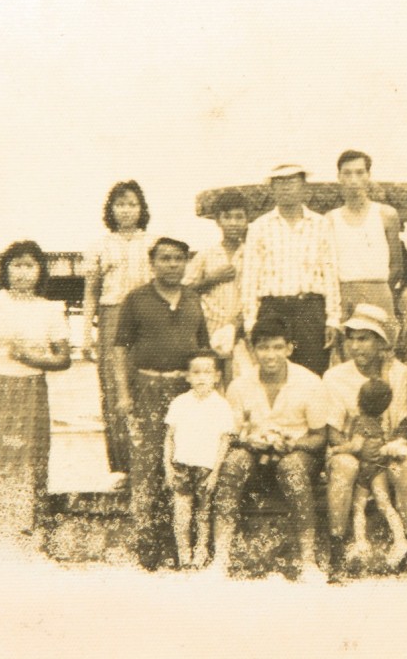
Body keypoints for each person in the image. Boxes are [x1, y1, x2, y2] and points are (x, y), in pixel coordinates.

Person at [0, 240, 72, 552]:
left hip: (33, 390)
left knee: (31, 458)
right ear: (6, 269)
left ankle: (26, 531)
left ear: (40, 271)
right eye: (17, 265)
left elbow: (63, 359)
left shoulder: (50, 310)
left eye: (30, 265)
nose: (23, 272)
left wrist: (30, 358)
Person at [113, 237, 210, 570]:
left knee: (184, 463)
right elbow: (120, 350)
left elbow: (203, 351)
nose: (172, 264)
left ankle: (179, 544)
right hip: (147, 388)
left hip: (185, 392)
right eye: (165, 258)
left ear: (186, 263)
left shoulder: (195, 299)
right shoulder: (136, 299)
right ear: (152, 263)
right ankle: (146, 546)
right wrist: (124, 394)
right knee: (147, 465)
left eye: (179, 259)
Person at [212, 314, 328, 580]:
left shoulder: (309, 382)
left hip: (296, 454)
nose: (270, 355)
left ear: (289, 348)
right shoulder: (240, 385)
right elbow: (231, 434)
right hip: (256, 455)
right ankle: (220, 560)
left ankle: (308, 562)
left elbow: (319, 436)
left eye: (277, 347)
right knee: (232, 464)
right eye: (263, 347)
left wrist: (292, 444)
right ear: (253, 350)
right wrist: (249, 441)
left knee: (292, 468)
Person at [323, 304, 407, 577]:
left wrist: (385, 449)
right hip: (351, 450)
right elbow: (333, 433)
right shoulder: (335, 376)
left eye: (364, 338)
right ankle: (338, 547)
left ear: (380, 343)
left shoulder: (399, 373)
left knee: (404, 460)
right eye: (351, 339)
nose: (356, 347)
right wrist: (358, 449)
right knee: (344, 465)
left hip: (385, 450)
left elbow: (402, 424)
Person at [82, 180, 153, 490]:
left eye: (133, 204)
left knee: (146, 386)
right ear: (111, 209)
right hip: (111, 317)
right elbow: (91, 293)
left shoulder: (153, 243)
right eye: (121, 204)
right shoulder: (99, 245)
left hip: (146, 317)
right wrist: (86, 333)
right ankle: (122, 467)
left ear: (142, 209)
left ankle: (149, 465)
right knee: (114, 391)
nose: (127, 210)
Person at [239, 163, 341, 375]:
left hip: (310, 310)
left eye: (292, 181)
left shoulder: (320, 224)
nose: (285, 187)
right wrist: (250, 322)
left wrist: (332, 318)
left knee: (312, 373)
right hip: (272, 309)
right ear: (272, 188)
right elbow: (250, 278)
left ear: (304, 187)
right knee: (272, 372)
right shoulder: (259, 226)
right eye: (279, 182)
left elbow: (330, 274)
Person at [328, 379, 407, 568]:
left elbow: (356, 446)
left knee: (358, 507)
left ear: (359, 400)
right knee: (385, 505)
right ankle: (400, 539)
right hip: (379, 469)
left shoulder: (361, 422)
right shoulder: (378, 422)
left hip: (366, 470)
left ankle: (361, 542)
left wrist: (336, 449)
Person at [163, 350, 234, 569]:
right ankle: (184, 554)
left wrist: (215, 472)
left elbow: (224, 441)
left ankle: (201, 551)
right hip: (182, 465)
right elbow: (170, 437)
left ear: (217, 376)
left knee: (204, 513)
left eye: (207, 372)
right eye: (196, 372)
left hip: (206, 467)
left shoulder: (221, 405)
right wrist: (168, 467)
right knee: (182, 513)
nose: (202, 377)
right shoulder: (179, 403)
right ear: (188, 376)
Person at [183, 191, 254, 384]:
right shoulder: (206, 255)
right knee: (210, 383)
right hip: (210, 331)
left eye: (239, 217)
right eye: (227, 217)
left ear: (248, 220)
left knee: (239, 383)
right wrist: (211, 279)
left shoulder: (253, 255)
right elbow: (184, 292)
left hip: (241, 331)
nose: (233, 223)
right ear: (218, 220)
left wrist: (239, 324)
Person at [330, 150, 404, 323]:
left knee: (381, 346)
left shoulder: (386, 214)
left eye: (359, 172)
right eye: (347, 173)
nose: (354, 180)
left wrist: (378, 291)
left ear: (368, 176)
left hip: (379, 292)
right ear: (339, 177)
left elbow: (397, 265)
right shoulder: (330, 219)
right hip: (344, 294)